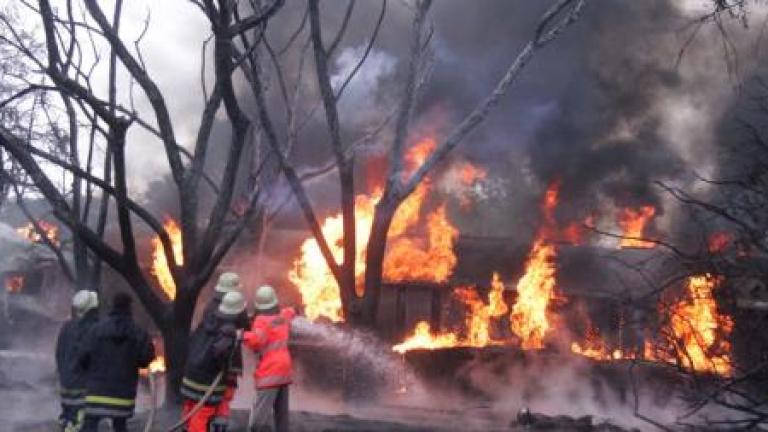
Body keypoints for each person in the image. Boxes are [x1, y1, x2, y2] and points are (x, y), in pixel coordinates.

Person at [79, 293, 155, 432]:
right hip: (123, 397)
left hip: (96, 394)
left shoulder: (95, 330)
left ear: (112, 306)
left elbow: (83, 357)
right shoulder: (138, 333)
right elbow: (145, 360)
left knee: (89, 425)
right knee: (120, 426)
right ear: (130, 308)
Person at [180, 291, 246, 432]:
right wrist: (224, 364)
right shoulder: (228, 330)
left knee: (190, 410)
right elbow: (220, 352)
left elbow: (191, 341)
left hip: (190, 376)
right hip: (206, 383)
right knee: (202, 414)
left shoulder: (208, 321)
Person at [243, 285, 295, 432]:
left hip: (270, 373)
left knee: (257, 422)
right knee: (281, 417)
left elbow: (256, 341)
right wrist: (294, 310)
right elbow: (290, 312)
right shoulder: (284, 316)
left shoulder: (261, 321)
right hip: (284, 372)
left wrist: (241, 335)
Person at [199, 272, 250, 425]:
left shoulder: (209, 306)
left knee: (207, 400)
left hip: (207, 360)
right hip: (229, 361)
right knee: (224, 398)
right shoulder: (236, 307)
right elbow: (246, 329)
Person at [55, 290, 99, 432]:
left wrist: (63, 374)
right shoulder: (93, 330)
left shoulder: (66, 327)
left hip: (66, 386)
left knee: (69, 420)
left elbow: (59, 354)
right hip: (83, 388)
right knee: (82, 425)